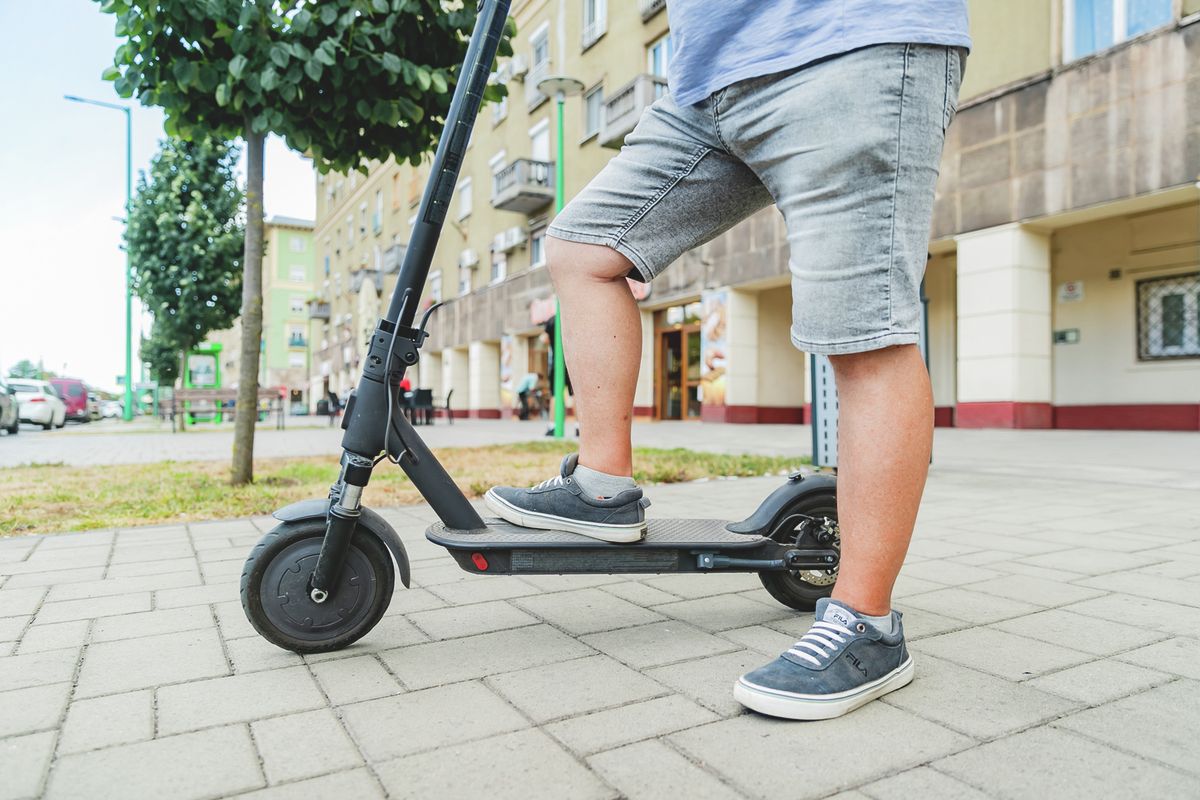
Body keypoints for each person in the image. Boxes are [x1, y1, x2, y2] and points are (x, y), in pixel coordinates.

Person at [486, 1, 969, 721]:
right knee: (583, 248)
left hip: (844, 42)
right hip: (706, 82)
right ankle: (601, 488)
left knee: (861, 333)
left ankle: (866, 624)